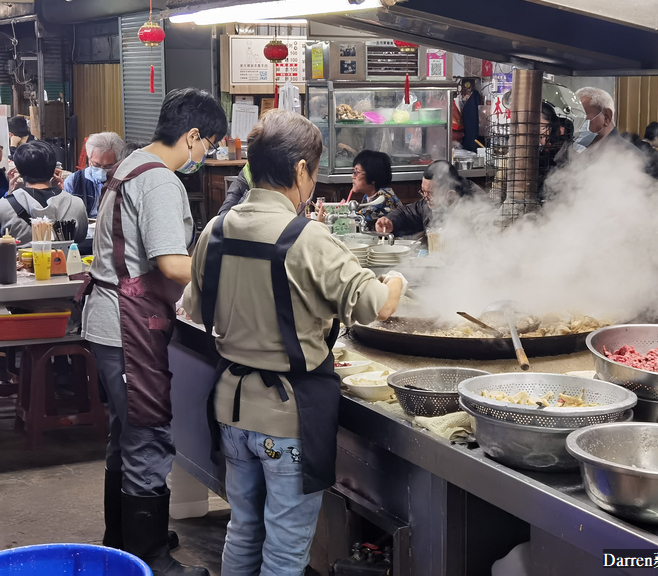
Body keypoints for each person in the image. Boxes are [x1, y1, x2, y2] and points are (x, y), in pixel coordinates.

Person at [181, 109, 404, 576]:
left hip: (231, 410)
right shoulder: (308, 238)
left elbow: (196, 311)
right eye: (315, 172)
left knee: (243, 530)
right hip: (288, 417)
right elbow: (376, 306)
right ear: (301, 170)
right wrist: (398, 277)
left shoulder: (214, 232)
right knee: (284, 551)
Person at [81, 88, 227, 576]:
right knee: (148, 436)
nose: (206, 155)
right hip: (127, 324)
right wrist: (229, 278)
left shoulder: (130, 163)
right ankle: (149, 558)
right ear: (191, 136)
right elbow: (170, 263)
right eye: (208, 144)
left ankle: (123, 539)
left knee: (126, 434)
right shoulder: (161, 181)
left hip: (111, 321)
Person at [0, 141, 88, 244]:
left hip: (18, 260)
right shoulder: (76, 203)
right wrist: (64, 195)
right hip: (64, 259)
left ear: (18, 171)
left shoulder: (4, 206)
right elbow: (80, 238)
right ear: (54, 169)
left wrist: (9, 195)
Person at [375, 160, 481, 237]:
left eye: (430, 193)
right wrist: (390, 222)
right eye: (423, 191)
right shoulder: (428, 203)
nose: (425, 198)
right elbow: (407, 213)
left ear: (451, 194)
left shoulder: (476, 207)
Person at [554, 87, 644, 169]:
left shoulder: (630, 157)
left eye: (581, 118)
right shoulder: (569, 151)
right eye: (572, 119)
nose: (575, 126)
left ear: (606, 117)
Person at [63, 132, 124, 218]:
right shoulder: (73, 181)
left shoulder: (123, 182)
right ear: (89, 159)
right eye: (96, 165)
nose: (101, 169)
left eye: (108, 166)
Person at [350, 150, 402, 229]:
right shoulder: (367, 196)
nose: (352, 176)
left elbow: (358, 220)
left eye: (357, 172)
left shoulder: (384, 198)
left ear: (373, 177)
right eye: (353, 171)